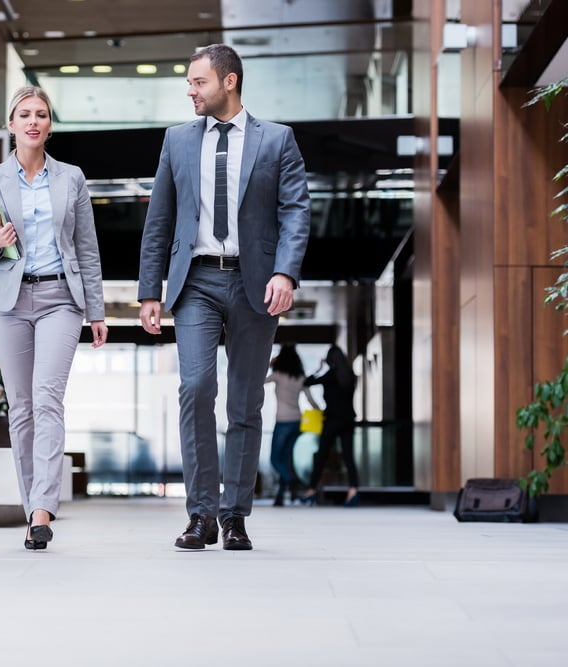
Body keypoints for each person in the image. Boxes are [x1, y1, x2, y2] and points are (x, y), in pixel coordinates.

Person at [138, 44, 310, 550]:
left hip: (256, 283)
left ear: (228, 81)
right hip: (195, 282)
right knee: (194, 389)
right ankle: (201, 516)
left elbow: (296, 211)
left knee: (245, 402)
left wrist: (286, 273)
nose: (190, 90)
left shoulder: (277, 140)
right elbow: (159, 220)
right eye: (189, 83)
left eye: (198, 82)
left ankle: (235, 516)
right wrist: (150, 291)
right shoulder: (177, 141)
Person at [0, 85, 108, 550]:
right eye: (25, 114)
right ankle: (31, 504)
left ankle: (43, 509)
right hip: (9, 303)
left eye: (42, 115)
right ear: (11, 124)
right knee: (23, 409)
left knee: (48, 399)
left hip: (60, 300)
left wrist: (96, 311)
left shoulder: (71, 178)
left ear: (50, 125)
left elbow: (87, 249)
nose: (34, 121)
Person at [302, 345, 360, 507]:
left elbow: (307, 382)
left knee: (321, 456)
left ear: (330, 360)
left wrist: (319, 368)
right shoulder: (350, 376)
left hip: (332, 421)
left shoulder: (330, 375)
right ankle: (353, 490)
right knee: (348, 457)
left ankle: (312, 490)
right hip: (348, 420)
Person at [265, 343, 320, 506]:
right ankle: (280, 496)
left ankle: (292, 480)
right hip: (297, 421)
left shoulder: (278, 375)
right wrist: (321, 411)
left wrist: (270, 363)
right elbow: (311, 400)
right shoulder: (300, 377)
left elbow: (258, 380)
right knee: (285, 459)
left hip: (282, 421)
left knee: (275, 459)